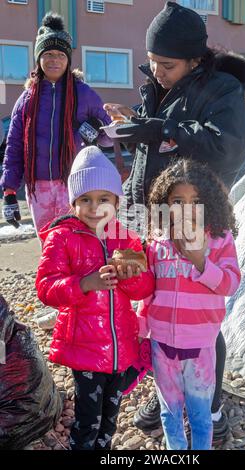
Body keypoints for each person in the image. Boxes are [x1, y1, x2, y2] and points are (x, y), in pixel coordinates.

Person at [104, 1, 245, 443]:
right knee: (163, 302)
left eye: (166, 64)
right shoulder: (159, 85)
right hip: (156, 212)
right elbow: (158, 144)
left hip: (195, 216)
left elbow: (228, 147)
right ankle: (169, 388)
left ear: (194, 60)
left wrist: (161, 128)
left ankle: (211, 402)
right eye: (151, 62)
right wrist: (137, 127)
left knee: (201, 312)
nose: (157, 71)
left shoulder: (222, 88)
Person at [35, 146, 155, 450]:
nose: (94, 207)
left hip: (122, 348)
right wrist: (84, 283)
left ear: (116, 201)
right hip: (85, 348)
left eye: (104, 199)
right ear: (74, 202)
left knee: (110, 419)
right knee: (87, 420)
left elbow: (144, 290)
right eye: (85, 199)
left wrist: (133, 278)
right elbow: (46, 288)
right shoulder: (62, 238)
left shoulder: (125, 238)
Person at [137, 158, 241, 450]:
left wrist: (200, 260)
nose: (186, 208)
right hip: (161, 345)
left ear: (208, 202)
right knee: (169, 412)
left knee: (200, 415)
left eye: (195, 200)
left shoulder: (219, 239)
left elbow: (231, 284)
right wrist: (140, 327)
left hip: (199, 346)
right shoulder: (158, 241)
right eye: (177, 201)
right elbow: (149, 291)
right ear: (165, 204)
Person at [1, 12, 111, 234]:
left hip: (75, 186)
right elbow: (13, 147)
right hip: (37, 189)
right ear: (39, 58)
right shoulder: (26, 100)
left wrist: (97, 130)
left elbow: (110, 137)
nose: (54, 60)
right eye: (48, 54)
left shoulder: (84, 94)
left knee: (77, 245)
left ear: (68, 59)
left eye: (61, 54)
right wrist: (9, 192)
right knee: (49, 247)